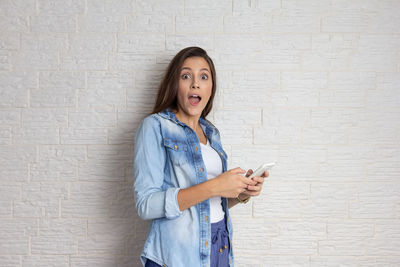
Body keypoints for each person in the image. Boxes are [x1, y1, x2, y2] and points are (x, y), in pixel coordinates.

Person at [133, 47, 269, 267]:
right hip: (178, 255)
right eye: (186, 76)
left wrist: (242, 193)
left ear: (210, 87)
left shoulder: (211, 133)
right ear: (174, 85)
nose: (195, 83)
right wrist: (214, 186)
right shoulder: (155, 126)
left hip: (219, 246)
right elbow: (146, 205)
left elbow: (206, 205)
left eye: (203, 76)